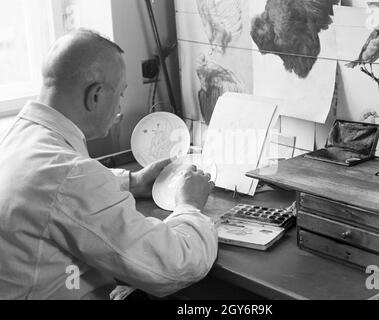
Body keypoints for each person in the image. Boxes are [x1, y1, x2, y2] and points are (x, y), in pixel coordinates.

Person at [0, 29, 218, 300]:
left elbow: (52, 192)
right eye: (121, 93)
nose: (120, 105)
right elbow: (174, 265)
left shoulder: (18, 137)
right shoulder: (71, 177)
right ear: (96, 95)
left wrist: (132, 182)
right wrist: (190, 205)